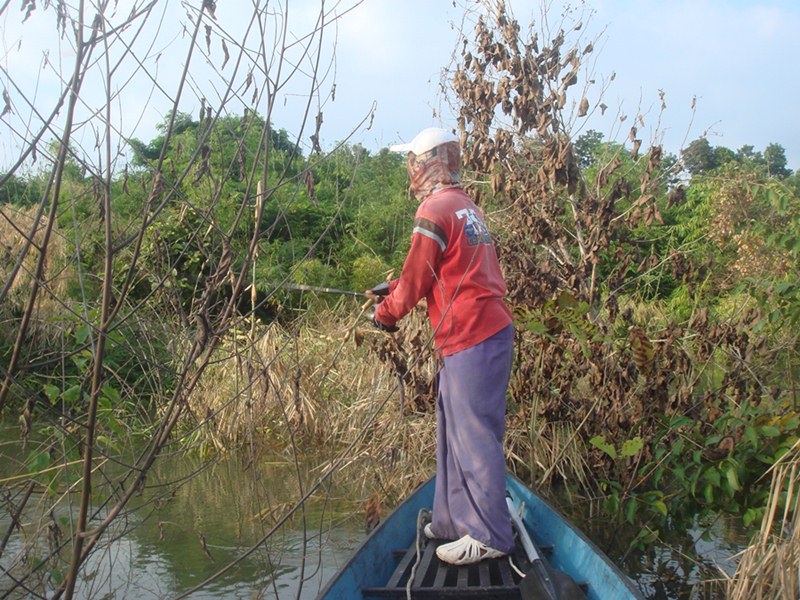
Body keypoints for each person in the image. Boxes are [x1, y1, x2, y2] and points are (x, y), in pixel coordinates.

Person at [365, 127, 515, 566]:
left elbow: (415, 282)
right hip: (479, 333)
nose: (408, 170)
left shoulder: (434, 208)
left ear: (427, 162)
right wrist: (392, 289)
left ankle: (490, 535)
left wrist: (386, 312)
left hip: (472, 335)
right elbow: (438, 271)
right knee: (453, 432)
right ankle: (451, 521)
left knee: (473, 435)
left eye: (411, 160)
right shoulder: (464, 204)